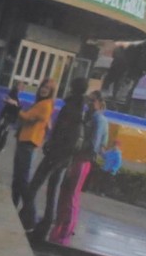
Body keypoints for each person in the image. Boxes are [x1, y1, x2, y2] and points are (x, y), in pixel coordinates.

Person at [27, 78, 88, 243]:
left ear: (73, 87)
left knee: (34, 186)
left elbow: (64, 132)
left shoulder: (71, 108)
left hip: (57, 154)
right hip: (63, 156)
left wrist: (53, 147)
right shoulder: (79, 107)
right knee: (52, 191)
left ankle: (30, 219)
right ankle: (43, 226)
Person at [49, 88, 109, 244]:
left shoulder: (98, 120)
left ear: (100, 103)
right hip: (74, 158)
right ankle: (60, 224)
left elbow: (94, 144)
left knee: (72, 194)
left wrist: (77, 150)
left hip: (83, 160)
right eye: (88, 99)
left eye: (92, 100)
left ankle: (67, 229)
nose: (89, 103)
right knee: (65, 191)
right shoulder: (86, 116)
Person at [10, 78, 56, 228]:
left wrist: (16, 107)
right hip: (24, 140)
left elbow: (28, 117)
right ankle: (12, 207)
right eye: (43, 86)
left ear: (51, 92)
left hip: (29, 143)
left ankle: (31, 215)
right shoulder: (40, 103)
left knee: (22, 180)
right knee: (17, 179)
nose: (44, 89)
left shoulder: (45, 105)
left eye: (47, 88)